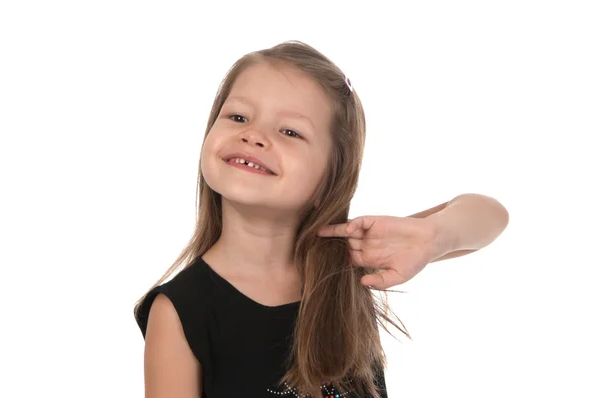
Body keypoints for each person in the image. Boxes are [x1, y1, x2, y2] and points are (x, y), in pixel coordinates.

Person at [133, 40, 508, 398]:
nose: (253, 135)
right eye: (238, 116)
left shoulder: (350, 258)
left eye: (290, 131)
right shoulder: (180, 310)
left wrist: (432, 237)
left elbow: (491, 216)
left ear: (332, 174)